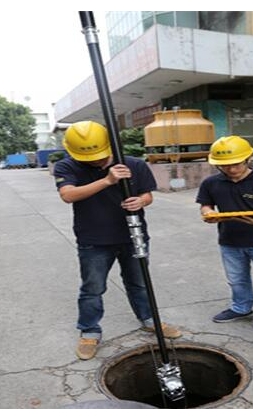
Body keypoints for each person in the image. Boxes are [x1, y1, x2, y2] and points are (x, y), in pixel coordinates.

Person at [54, 121, 181, 360]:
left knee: (139, 282)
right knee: (93, 288)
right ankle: (90, 331)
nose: (94, 161)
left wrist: (141, 201)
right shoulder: (67, 165)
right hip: (94, 239)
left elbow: (147, 194)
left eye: (98, 156)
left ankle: (149, 319)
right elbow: (67, 195)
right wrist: (107, 180)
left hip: (133, 235)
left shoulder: (133, 164)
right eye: (87, 157)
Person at [196, 136, 253, 346]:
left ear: (248, 157)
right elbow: (205, 205)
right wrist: (209, 213)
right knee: (237, 280)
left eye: (235, 164)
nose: (230, 169)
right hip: (230, 241)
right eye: (224, 165)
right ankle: (241, 308)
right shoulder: (211, 183)